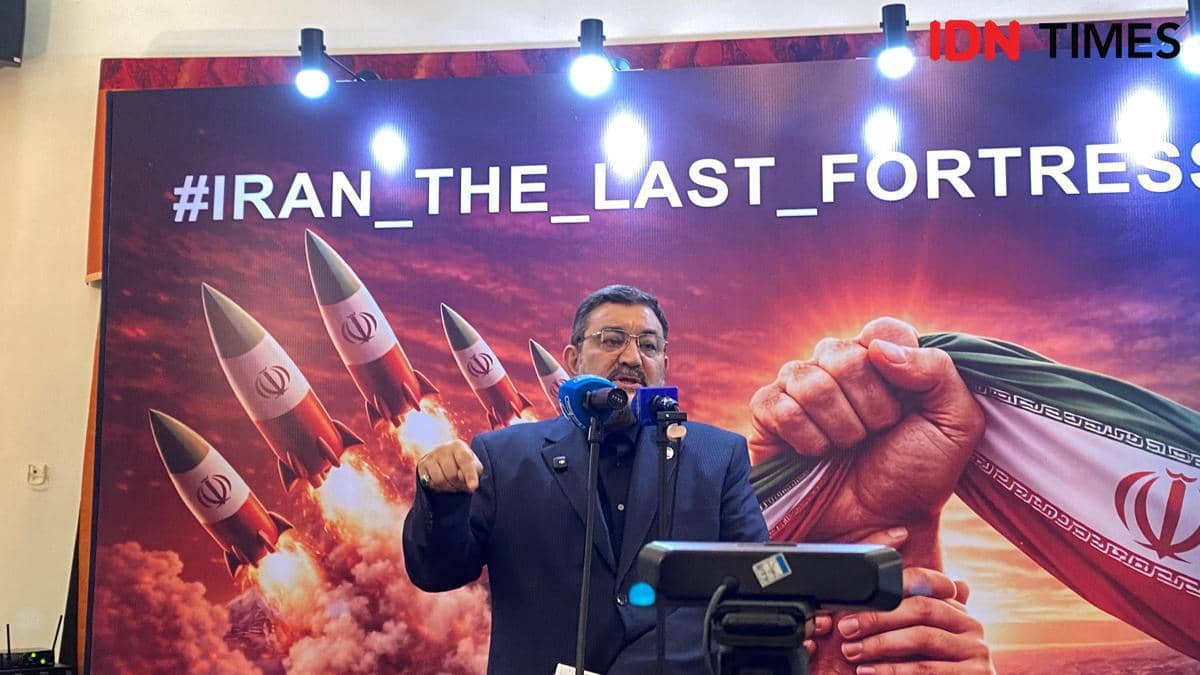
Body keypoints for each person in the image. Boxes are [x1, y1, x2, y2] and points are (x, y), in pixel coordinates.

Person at [405, 286, 992, 674]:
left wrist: (820, 598)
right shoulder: (503, 454)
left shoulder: (717, 453)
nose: (631, 356)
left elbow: (758, 580)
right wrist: (441, 495)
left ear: (665, 363)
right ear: (573, 357)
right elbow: (437, 572)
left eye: (649, 345)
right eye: (611, 340)